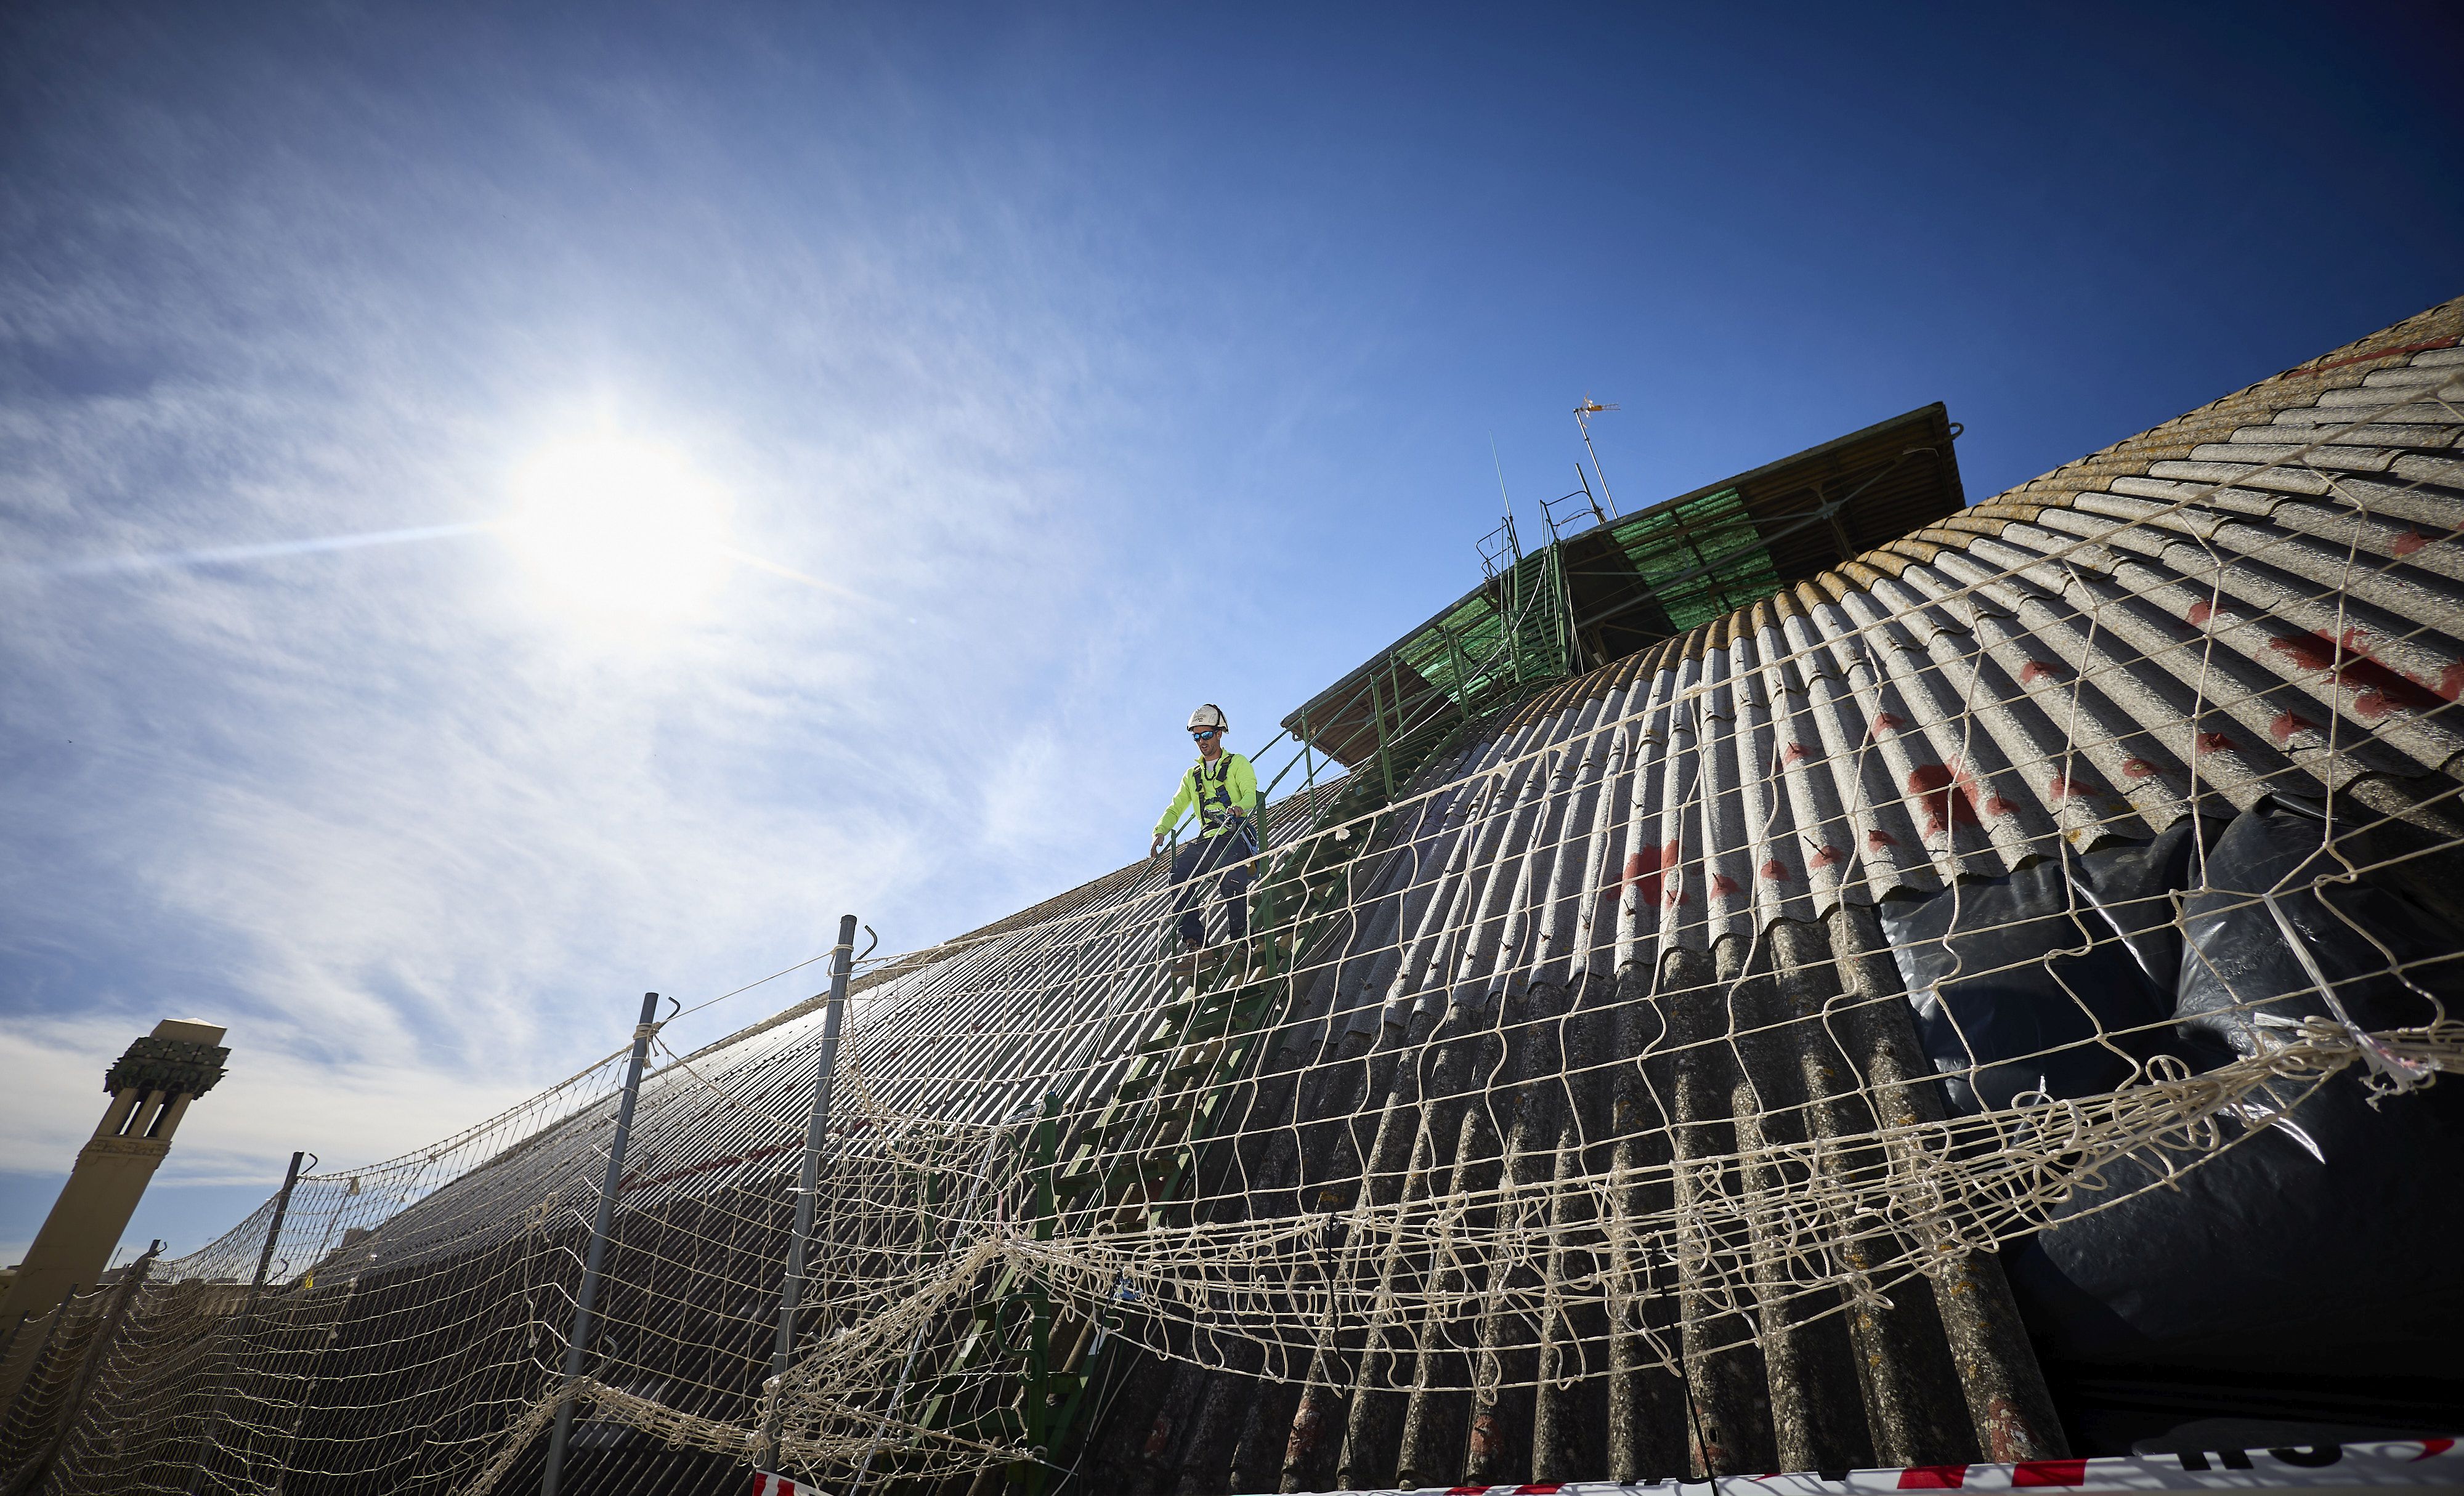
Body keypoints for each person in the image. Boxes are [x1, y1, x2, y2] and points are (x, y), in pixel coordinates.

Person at [1149, 704, 1259, 955]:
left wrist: (1239, 808)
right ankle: (1195, 942)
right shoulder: (1192, 775)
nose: (1201, 741)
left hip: (1234, 835)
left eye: (1206, 735)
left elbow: (1250, 794)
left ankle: (1240, 940)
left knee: (1230, 875)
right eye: (1196, 736)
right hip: (1207, 839)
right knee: (1178, 874)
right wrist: (1161, 831)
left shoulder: (1237, 763)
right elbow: (1176, 806)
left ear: (1219, 734)